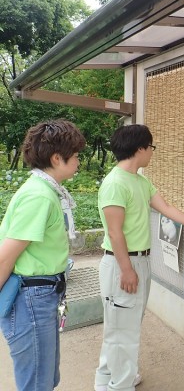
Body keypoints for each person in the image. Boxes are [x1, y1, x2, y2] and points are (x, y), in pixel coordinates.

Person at [94, 124, 184, 391]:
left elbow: (167, 208)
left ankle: (108, 379)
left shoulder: (140, 180)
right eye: (151, 147)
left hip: (137, 261)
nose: (152, 152)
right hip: (121, 262)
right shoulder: (114, 184)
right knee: (123, 330)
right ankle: (120, 385)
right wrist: (126, 270)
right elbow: (115, 233)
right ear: (140, 148)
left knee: (122, 324)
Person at [0, 119, 86, 390]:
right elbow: (5, 256)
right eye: (76, 156)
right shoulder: (39, 195)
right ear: (57, 158)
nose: (79, 161)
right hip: (32, 298)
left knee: (45, 378)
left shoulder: (45, 190)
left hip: (41, 294)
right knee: (38, 381)